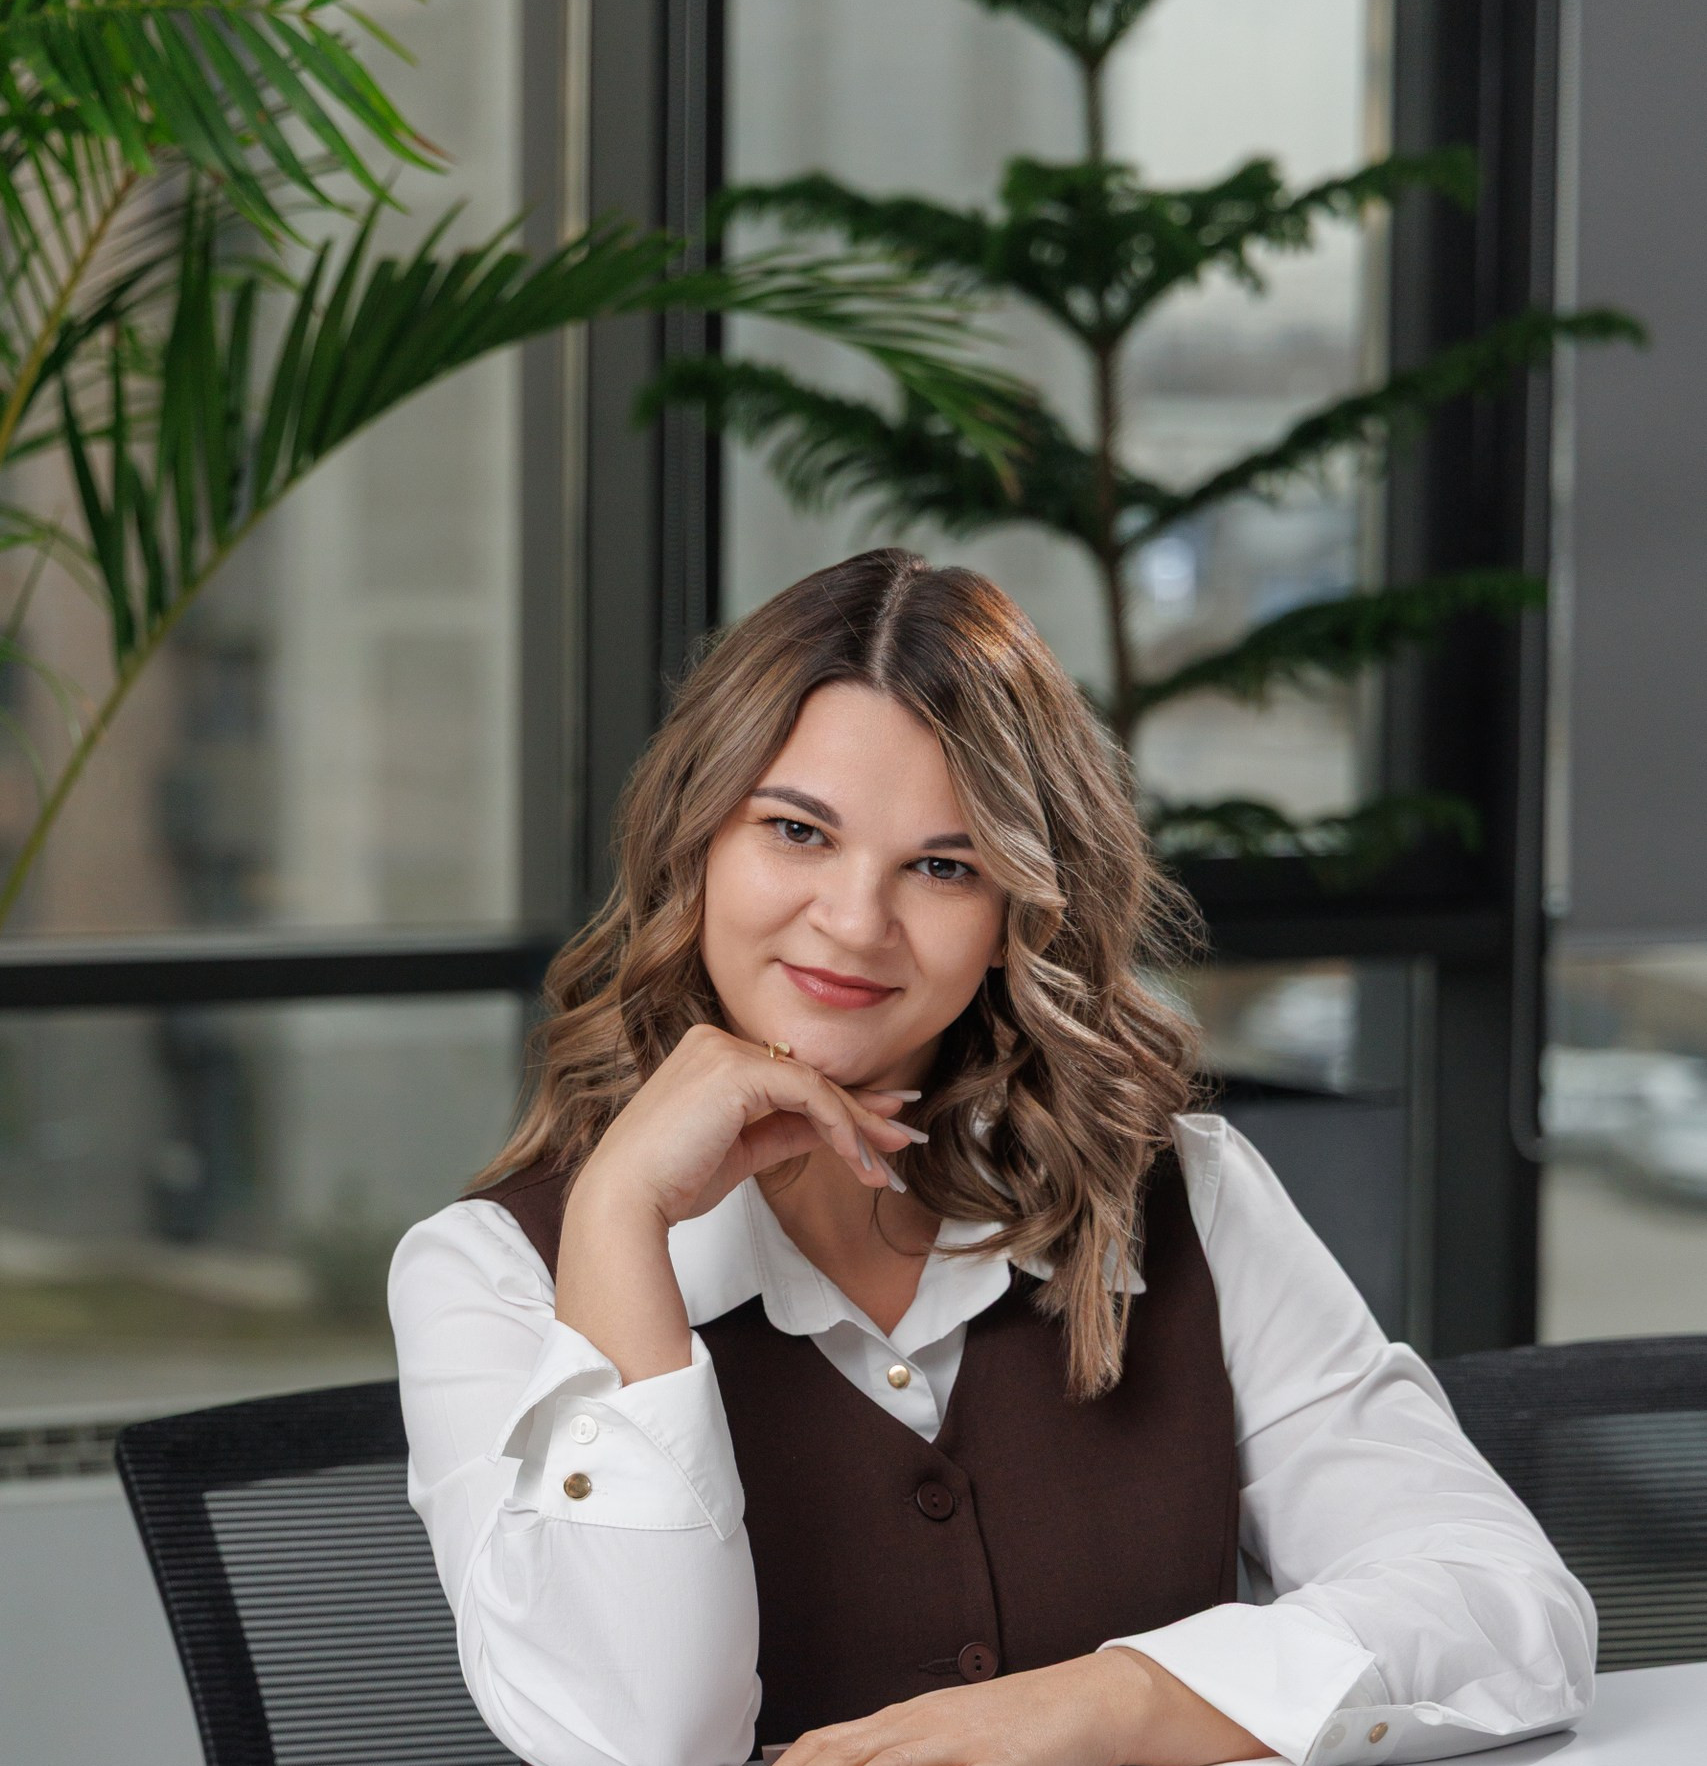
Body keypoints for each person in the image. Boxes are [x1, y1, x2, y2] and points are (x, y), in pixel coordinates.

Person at [389, 548, 1596, 1766]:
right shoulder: (489, 1274)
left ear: (1021, 912)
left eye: (943, 865)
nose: (855, 921)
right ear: (692, 842)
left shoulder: (1181, 1197)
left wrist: (1109, 1703)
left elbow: (1507, 1606)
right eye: (797, 831)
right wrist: (619, 1221)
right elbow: (635, 1745)